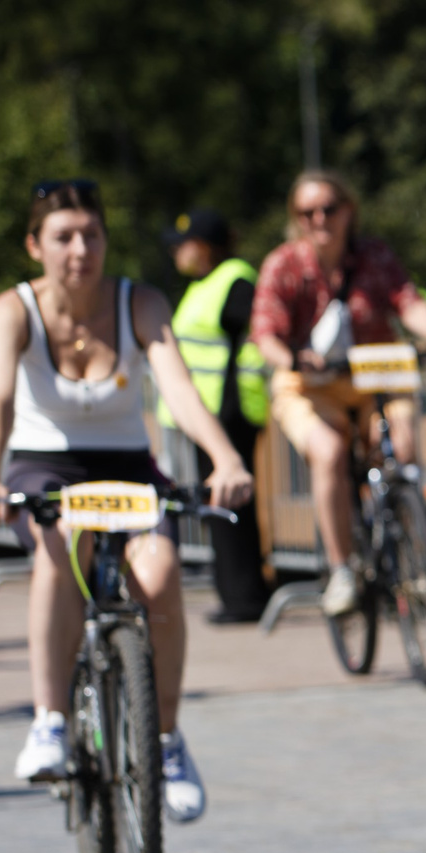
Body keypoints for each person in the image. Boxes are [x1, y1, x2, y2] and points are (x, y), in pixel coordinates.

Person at [0, 180, 253, 820]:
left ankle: (168, 739)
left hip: (126, 467)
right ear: (35, 245)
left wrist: (225, 456)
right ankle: (49, 721)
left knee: (162, 572)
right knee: (63, 540)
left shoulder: (137, 302)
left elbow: (178, 388)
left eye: (91, 235)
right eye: (63, 237)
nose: (79, 250)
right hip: (45, 466)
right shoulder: (14, 310)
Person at [247, 170, 426, 619]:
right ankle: (341, 567)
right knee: (327, 453)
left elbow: (408, 302)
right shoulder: (283, 264)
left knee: (400, 449)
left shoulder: (374, 256)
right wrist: (290, 358)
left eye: (329, 208)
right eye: (308, 212)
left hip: (374, 378)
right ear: (296, 218)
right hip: (312, 385)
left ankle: (408, 551)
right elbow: (265, 331)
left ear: (349, 211)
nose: (320, 219)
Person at [162, 209, 270, 623]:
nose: (175, 251)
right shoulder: (206, 284)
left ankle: (244, 599)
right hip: (209, 412)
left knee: (231, 508)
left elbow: (258, 332)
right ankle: (237, 594)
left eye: (182, 243)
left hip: (229, 411)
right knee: (221, 508)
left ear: (204, 245)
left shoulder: (235, 279)